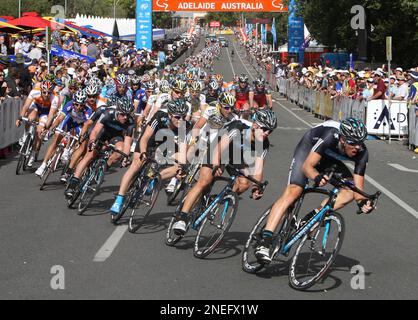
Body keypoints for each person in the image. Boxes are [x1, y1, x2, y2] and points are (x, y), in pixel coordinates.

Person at [254, 118, 374, 264]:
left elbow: (358, 187)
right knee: (294, 191)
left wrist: (362, 202)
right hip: (309, 149)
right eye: (352, 143)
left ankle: (310, 219)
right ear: (342, 139)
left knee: (349, 191)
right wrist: (316, 177)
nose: (357, 147)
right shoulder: (330, 136)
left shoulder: (362, 152)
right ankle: (265, 241)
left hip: (329, 159)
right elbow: (307, 167)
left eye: (360, 143)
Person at [172, 109, 278, 236]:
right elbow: (219, 149)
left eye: (270, 131)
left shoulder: (264, 144)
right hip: (219, 148)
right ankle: (182, 218)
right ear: (255, 125)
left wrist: (257, 186)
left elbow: (258, 169)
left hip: (237, 156)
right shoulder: (238, 128)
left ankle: (218, 200)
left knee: (244, 184)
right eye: (265, 129)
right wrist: (217, 165)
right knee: (205, 180)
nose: (267, 133)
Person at [109, 100, 191, 216]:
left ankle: (156, 179)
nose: (181, 120)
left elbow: (183, 149)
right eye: (177, 117)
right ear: (170, 115)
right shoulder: (159, 117)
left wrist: (182, 166)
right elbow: (145, 138)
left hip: (166, 146)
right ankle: (119, 199)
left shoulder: (184, 125)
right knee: (136, 164)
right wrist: (143, 152)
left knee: (180, 166)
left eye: (183, 117)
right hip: (149, 142)